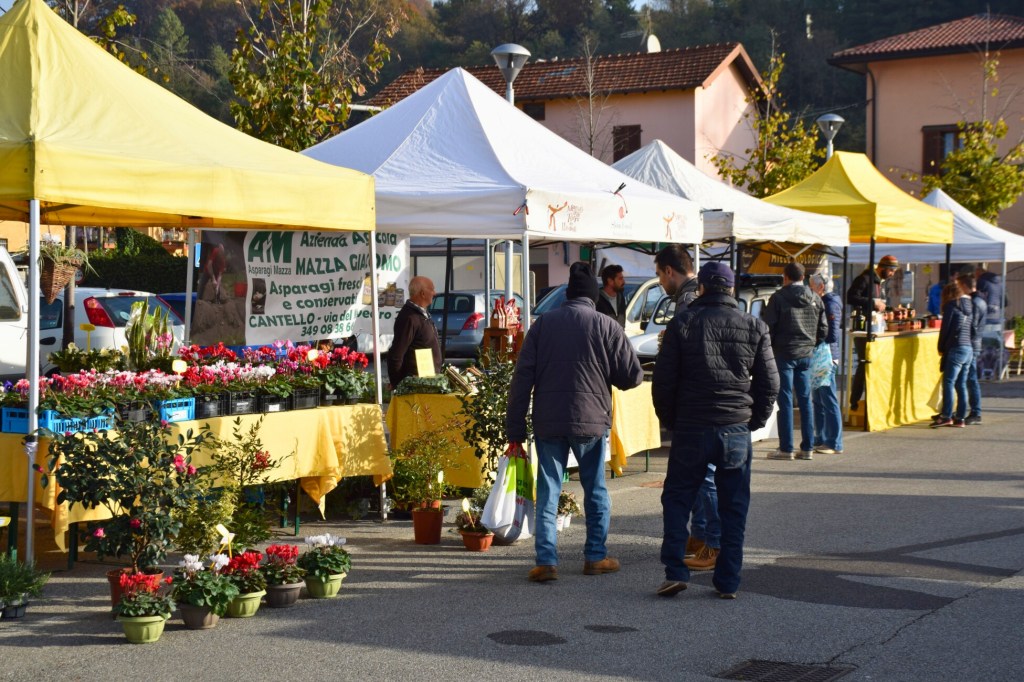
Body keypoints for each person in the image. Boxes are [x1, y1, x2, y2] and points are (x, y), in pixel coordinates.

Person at [506, 262, 643, 583]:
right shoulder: (607, 326)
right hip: (591, 420)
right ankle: (595, 556)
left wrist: (514, 428)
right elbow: (633, 376)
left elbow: (521, 380)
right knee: (595, 488)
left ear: (568, 294)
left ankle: (546, 561)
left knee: (550, 488)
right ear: (593, 297)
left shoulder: (542, 326)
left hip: (548, 420)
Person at [652, 261, 778, 598]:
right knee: (733, 506)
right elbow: (770, 384)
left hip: (692, 426)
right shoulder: (754, 326)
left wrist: (672, 422)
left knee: (678, 499)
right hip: (735, 427)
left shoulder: (683, 323)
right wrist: (753, 422)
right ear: (732, 290)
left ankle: (676, 570)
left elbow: (663, 383)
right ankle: (728, 581)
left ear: (703, 288)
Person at [762, 261, 827, 460]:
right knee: (806, 401)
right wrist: (811, 344)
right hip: (806, 354)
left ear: (786, 277)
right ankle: (807, 447)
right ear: (804, 277)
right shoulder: (815, 297)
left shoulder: (778, 297)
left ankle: (786, 448)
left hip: (783, 353)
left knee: (786, 401)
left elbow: (768, 327)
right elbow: (823, 329)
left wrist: (770, 348)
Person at [846, 255, 899, 410]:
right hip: (863, 327)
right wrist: (873, 302)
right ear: (882, 268)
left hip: (876, 327)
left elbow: (877, 304)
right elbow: (851, 297)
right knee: (864, 362)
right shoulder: (864, 279)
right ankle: (854, 401)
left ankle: (867, 399)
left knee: (871, 363)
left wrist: (891, 309)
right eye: (891, 270)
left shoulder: (878, 282)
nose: (892, 274)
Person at [810, 272, 844, 454]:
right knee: (819, 399)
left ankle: (834, 442)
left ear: (820, 287)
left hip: (827, 357)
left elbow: (832, 334)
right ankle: (821, 437)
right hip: (822, 357)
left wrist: (815, 337)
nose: (809, 290)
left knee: (828, 399)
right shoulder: (826, 303)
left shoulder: (830, 304)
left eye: (811, 286)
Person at [387, 276, 441, 389]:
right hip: (415, 385)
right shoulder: (409, 317)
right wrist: (398, 384)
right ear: (422, 293)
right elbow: (396, 354)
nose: (434, 293)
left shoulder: (422, 314)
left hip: (428, 381)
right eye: (432, 289)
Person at [932, 280, 973, 428]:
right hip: (968, 348)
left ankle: (946, 415)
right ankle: (960, 418)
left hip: (955, 348)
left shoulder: (951, 306)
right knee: (961, 384)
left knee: (948, 382)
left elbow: (946, 329)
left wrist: (941, 347)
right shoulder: (969, 306)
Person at [958, 272, 985, 425]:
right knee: (968, 378)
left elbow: (971, 325)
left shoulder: (974, 302)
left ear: (965, 286)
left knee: (970, 378)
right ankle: (970, 410)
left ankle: (976, 412)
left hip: (971, 343)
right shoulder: (980, 300)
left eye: (960, 287)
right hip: (974, 343)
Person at [655, 244, 698, 311]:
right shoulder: (705, 292)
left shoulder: (687, 301)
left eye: (659, 275)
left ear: (668, 271)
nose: (660, 282)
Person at [975, 264, 1005, 333]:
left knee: (985, 339)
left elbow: (978, 297)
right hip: (997, 315)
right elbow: (1004, 299)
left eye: (975, 275)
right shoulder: (1000, 282)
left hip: (986, 314)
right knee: (995, 340)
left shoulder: (981, 281)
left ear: (978, 273)